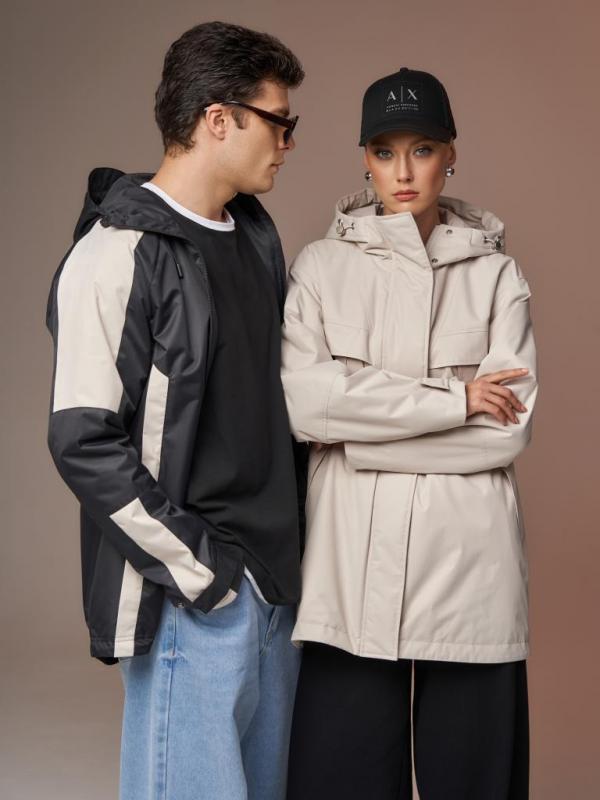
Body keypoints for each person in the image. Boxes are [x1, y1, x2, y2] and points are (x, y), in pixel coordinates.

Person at [46, 21, 305, 800]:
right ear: (218, 119)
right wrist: (202, 571)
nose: (288, 141)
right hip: (192, 596)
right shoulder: (114, 253)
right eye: (278, 121)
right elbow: (82, 439)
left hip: (277, 593)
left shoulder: (256, 238)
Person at [282, 67, 537, 799]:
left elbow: (506, 432)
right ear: (364, 158)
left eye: (422, 150)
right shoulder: (320, 269)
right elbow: (305, 407)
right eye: (385, 151)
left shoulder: (497, 277)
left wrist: (356, 437)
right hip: (348, 577)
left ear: (450, 154)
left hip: (469, 573)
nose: (403, 171)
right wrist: (457, 400)